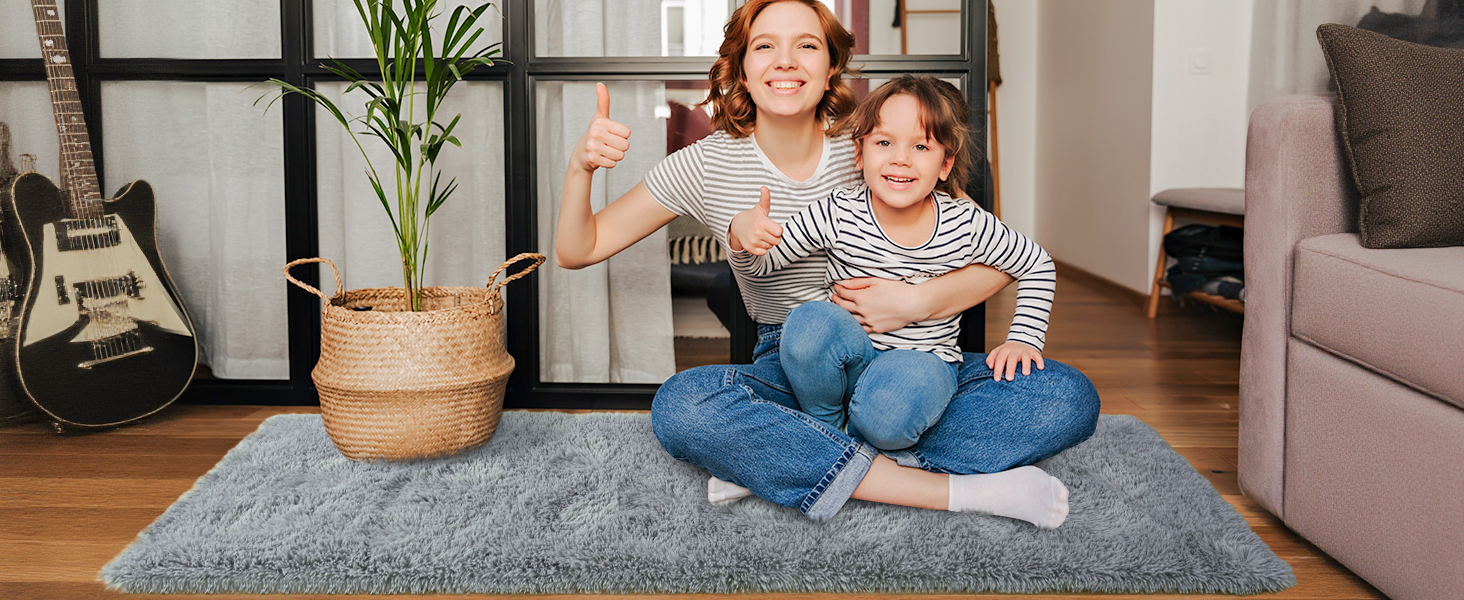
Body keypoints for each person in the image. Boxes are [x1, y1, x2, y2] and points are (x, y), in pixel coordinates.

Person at [554, 0, 1098, 528]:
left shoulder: (879, 143)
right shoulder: (704, 164)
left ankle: (787, 458)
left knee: (1067, 397)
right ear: (741, 68)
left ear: (831, 64)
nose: (786, 60)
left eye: (806, 45)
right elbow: (578, 249)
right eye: (765, 46)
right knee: (682, 407)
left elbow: (997, 254)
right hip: (791, 366)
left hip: (914, 359)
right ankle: (952, 489)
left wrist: (917, 302)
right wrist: (581, 168)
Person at [724, 75, 1055, 458]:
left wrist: (1023, 339)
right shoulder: (838, 210)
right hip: (846, 360)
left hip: (920, 365)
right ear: (860, 154)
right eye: (884, 143)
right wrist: (742, 235)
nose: (901, 158)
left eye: (921, 146)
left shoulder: (966, 222)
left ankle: (848, 441)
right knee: (808, 323)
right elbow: (764, 266)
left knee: (888, 416)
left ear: (945, 164)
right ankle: (827, 426)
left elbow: (1038, 264)